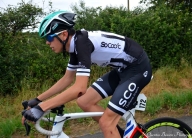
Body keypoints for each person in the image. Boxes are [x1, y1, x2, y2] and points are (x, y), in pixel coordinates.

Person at [21, 10, 152, 138]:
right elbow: (67, 79)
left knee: (106, 123)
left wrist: (42, 108)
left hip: (138, 69)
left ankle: (110, 128)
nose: (47, 42)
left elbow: (79, 89)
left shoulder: (82, 43)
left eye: (49, 37)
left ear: (64, 35)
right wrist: (38, 100)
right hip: (122, 70)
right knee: (84, 101)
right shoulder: (74, 47)